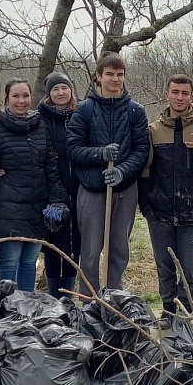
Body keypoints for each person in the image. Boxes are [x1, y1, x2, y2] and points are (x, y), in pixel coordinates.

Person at [139, 74, 193, 328]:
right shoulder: (154, 130)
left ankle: (185, 315)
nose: (180, 97)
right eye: (175, 92)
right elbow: (146, 171)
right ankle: (167, 312)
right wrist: (146, 206)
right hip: (160, 213)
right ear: (167, 94)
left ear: (192, 97)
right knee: (165, 267)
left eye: (185, 93)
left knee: (188, 270)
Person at [66, 52, 150, 297]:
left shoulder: (136, 111)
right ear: (98, 76)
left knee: (119, 250)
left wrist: (123, 171)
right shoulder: (84, 109)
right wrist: (100, 154)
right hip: (92, 188)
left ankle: (115, 301)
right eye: (110, 74)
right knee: (90, 252)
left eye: (120, 75)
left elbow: (142, 150)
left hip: (124, 190)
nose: (115, 79)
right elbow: (73, 148)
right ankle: (90, 302)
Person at [0, 78, 68, 292]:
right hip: (9, 209)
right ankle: (7, 310)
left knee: (29, 263)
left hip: (38, 208)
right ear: (6, 98)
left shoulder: (39, 127)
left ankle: (26, 309)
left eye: (25, 96)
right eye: (15, 96)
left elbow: (50, 168)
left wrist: (57, 201)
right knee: (9, 261)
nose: (21, 101)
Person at [38, 72, 82, 299]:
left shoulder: (81, 115)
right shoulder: (40, 118)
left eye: (64, 88)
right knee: (53, 243)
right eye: (55, 89)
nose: (60, 93)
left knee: (74, 244)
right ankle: (54, 296)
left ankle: (69, 297)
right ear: (49, 94)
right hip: (51, 191)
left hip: (78, 189)